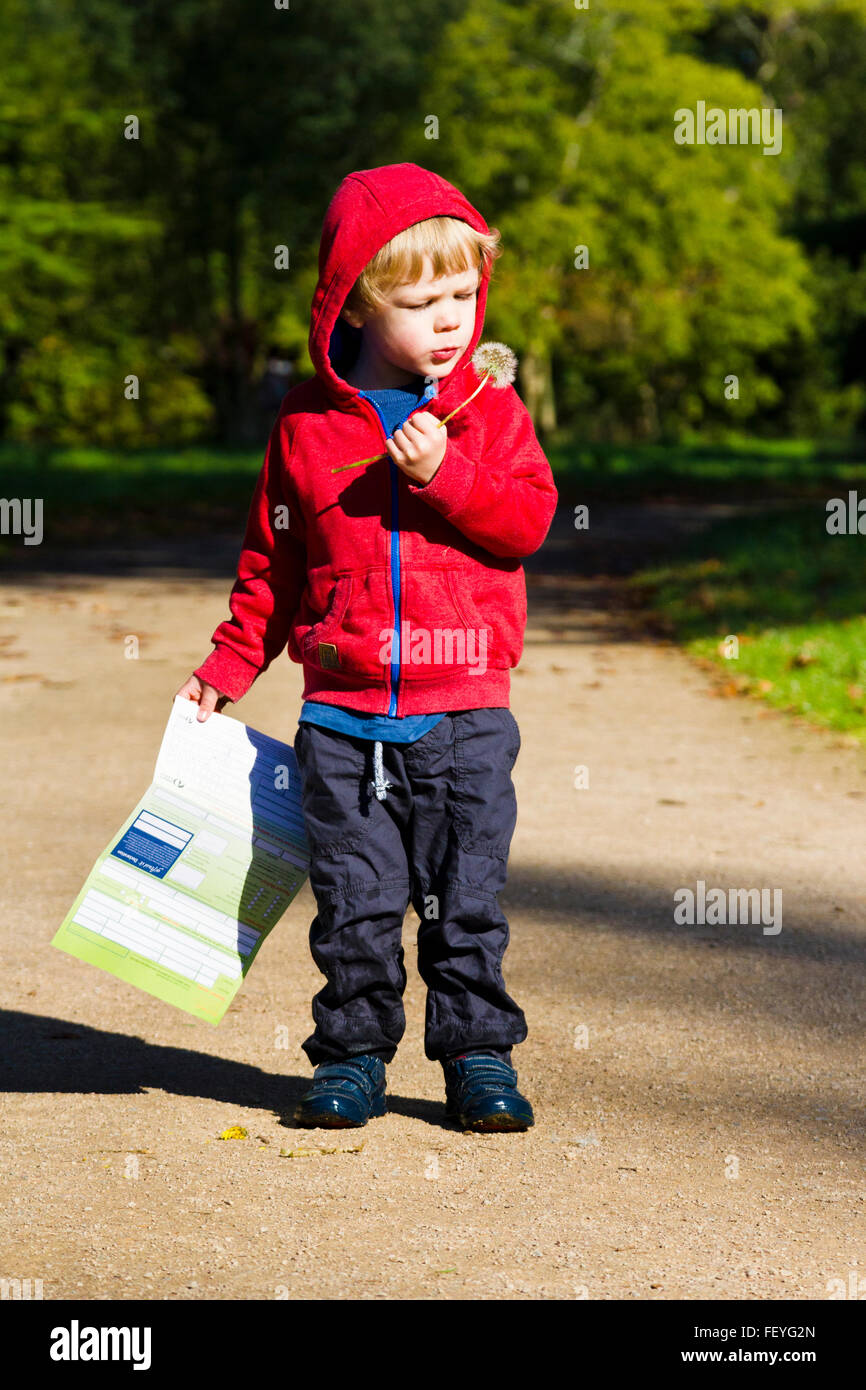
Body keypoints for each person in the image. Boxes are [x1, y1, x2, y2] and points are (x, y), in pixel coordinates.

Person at [175, 163, 558, 1132]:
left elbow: (524, 521)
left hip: (465, 709)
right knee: (353, 902)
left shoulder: (486, 414)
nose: (449, 319)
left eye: (465, 295)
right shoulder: (305, 426)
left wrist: (447, 475)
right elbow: (274, 561)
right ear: (355, 302)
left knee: (464, 901)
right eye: (420, 300)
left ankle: (477, 1056)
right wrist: (227, 666)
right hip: (342, 718)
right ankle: (350, 1055)